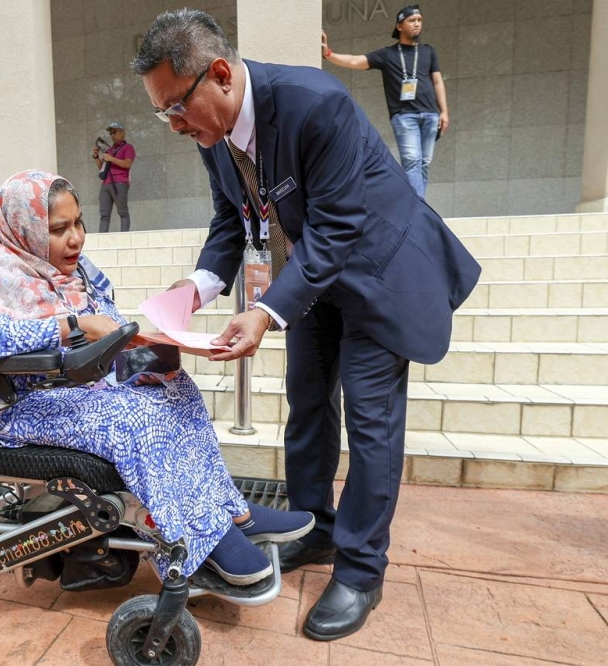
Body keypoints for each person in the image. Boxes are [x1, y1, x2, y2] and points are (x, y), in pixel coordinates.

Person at [132, 9, 480, 640]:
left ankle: (361, 570)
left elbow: (340, 225)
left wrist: (265, 311)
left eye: (176, 109)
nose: (174, 126)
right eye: (165, 115)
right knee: (307, 405)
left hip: (378, 272)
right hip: (312, 281)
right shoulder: (214, 137)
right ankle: (315, 529)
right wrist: (194, 290)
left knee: (372, 422)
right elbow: (229, 222)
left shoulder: (313, 102)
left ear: (218, 75)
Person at [0, 169, 315, 586]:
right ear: (25, 229)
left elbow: (107, 326)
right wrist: (68, 326)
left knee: (173, 389)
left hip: (67, 387)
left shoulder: (72, 270)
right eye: (58, 228)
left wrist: (149, 353)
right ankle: (199, 544)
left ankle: (231, 511)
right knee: (135, 420)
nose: (76, 238)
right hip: (9, 404)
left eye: (79, 222)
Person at [321, 4, 448, 198]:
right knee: (412, 161)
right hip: (405, 116)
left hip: (431, 115)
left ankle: (418, 204)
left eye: (419, 20)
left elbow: (437, 81)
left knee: (423, 163)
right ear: (399, 25)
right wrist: (328, 54)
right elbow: (356, 61)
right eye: (412, 20)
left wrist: (444, 112)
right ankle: (419, 207)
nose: (417, 24)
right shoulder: (388, 54)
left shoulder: (428, 51)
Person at [92, 121, 136, 232]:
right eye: (111, 133)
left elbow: (127, 164)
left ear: (122, 133)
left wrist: (111, 158)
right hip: (106, 183)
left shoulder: (128, 147)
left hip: (120, 182)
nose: (112, 135)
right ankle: (102, 239)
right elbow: (102, 168)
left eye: (114, 132)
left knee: (123, 212)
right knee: (104, 214)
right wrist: (96, 157)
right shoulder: (110, 150)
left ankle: (125, 238)